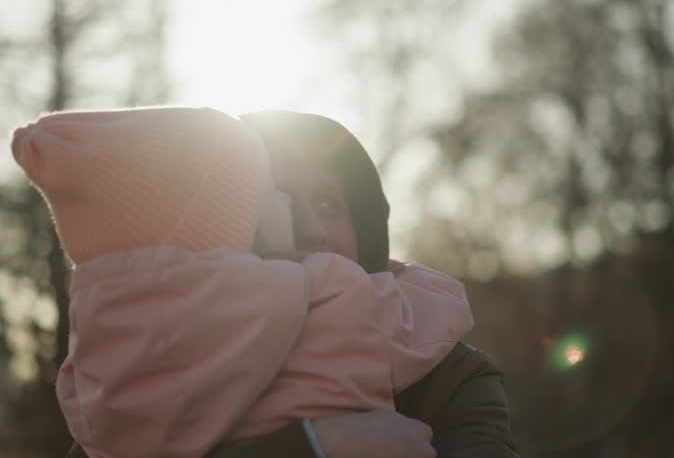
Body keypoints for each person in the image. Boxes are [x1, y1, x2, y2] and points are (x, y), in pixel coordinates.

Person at [10, 106, 476, 458]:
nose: (309, 228)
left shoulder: (450, 376)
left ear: (365, 227)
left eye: (329, 205)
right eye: (279, 198)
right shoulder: (141, 361)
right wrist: (307, 448)